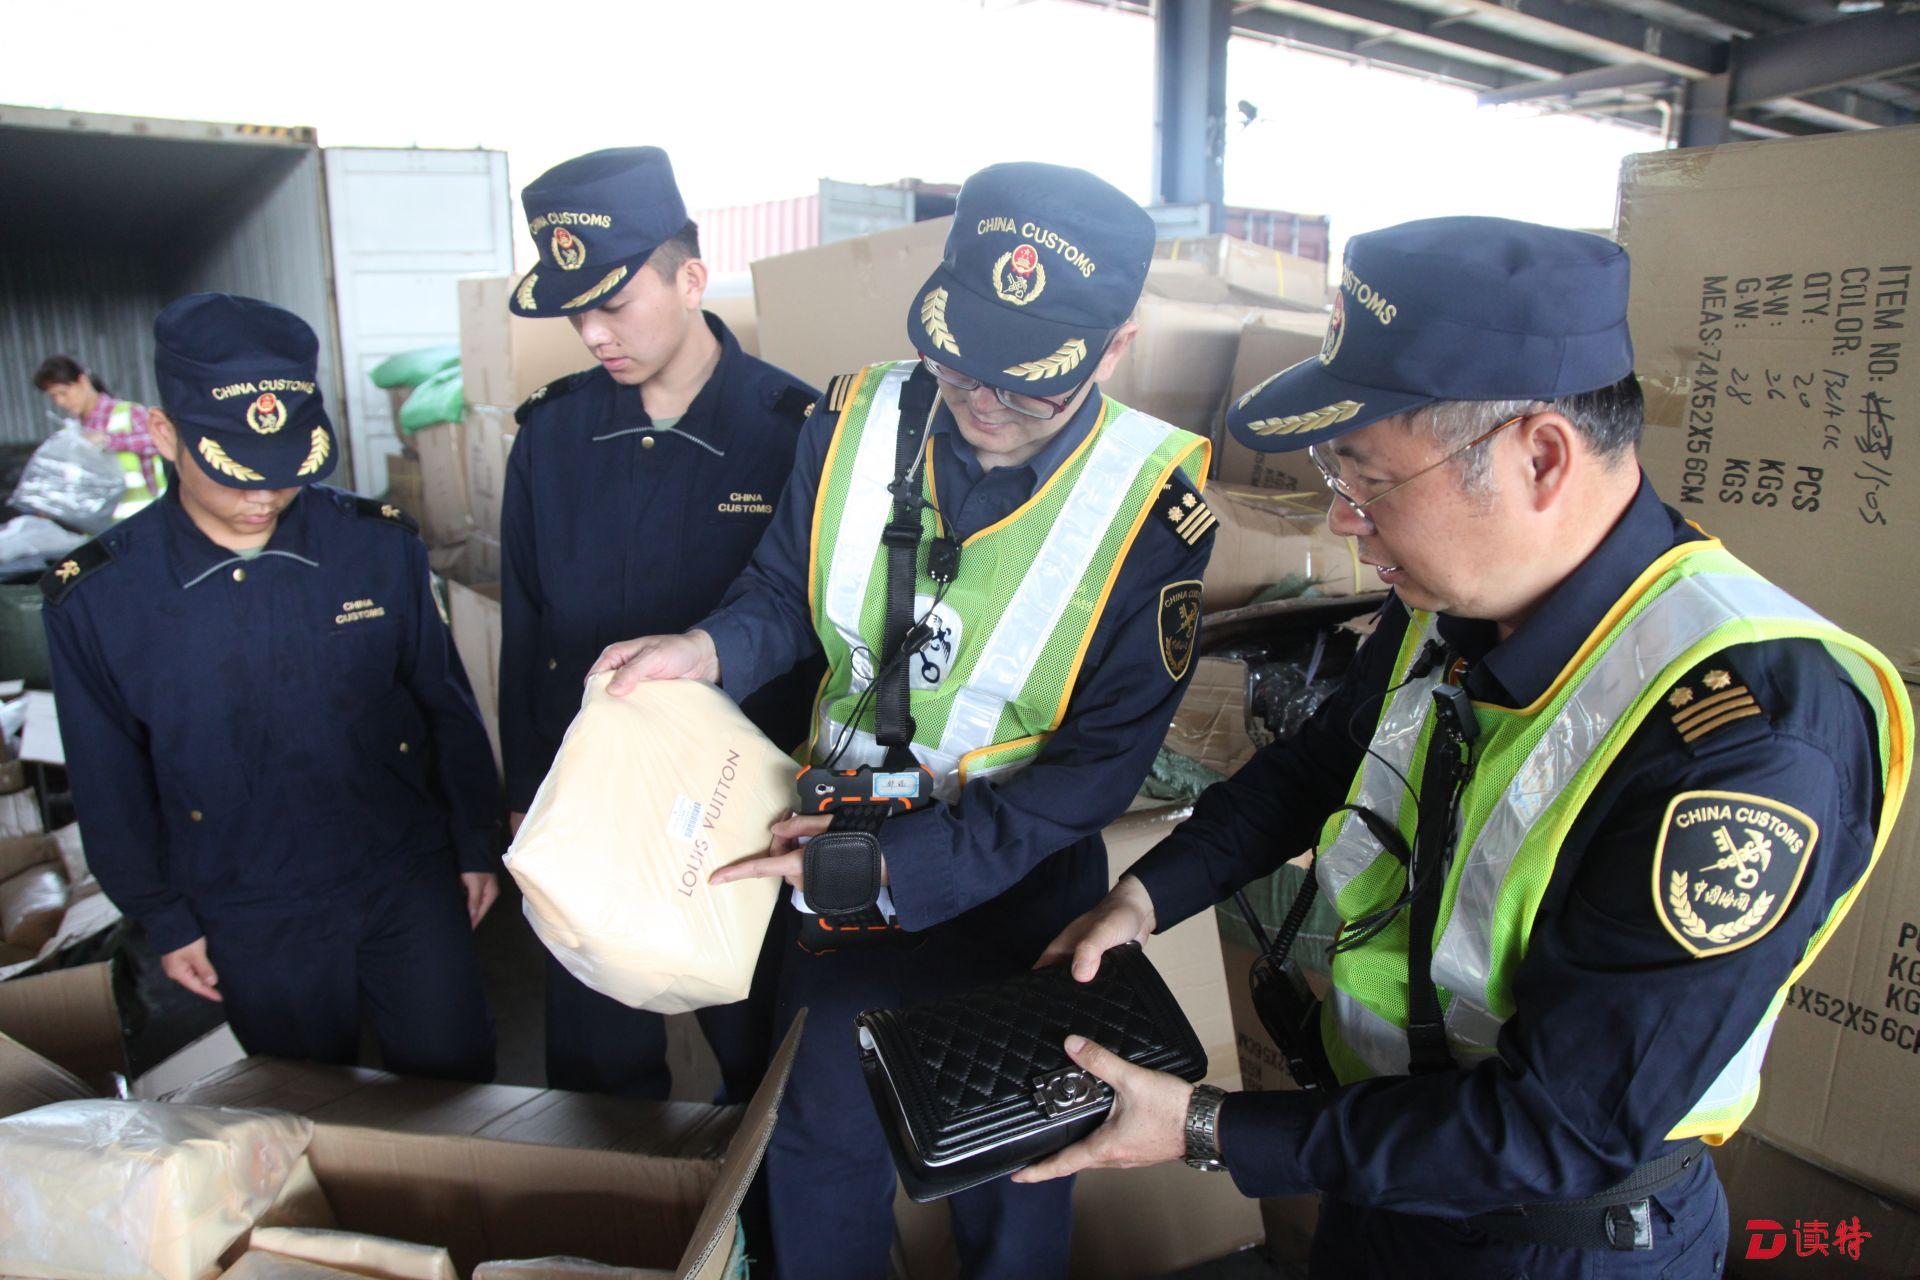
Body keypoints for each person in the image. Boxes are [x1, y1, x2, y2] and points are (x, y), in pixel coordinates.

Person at [1015, 217, 1913, 1278]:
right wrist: (1147, 895)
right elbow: (1319, 764)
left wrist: (1207, 1126)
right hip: (1387, 1171)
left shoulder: (1746, 739)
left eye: (1368, 480)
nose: (1345, 521)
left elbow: (1560, 1126)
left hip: (1554, 1237)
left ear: (1539, 456)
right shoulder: (1453, 595)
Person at [592, 161, 1220, 1280]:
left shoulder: (1155, 507)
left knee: (1013, 1173)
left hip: (1018, 884)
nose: (979, 396)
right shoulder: (855, 414)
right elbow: (785, 591)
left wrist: (893, 866)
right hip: (829, 854)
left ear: (1114, 345)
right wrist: (703, 649)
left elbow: (1095, 771)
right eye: (957, 357)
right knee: (820, 1146)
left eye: (1025, 383)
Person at [43, 293, 503, 1081]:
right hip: (245, 902)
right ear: (164, 434)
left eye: (287, 471)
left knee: (455, 1082)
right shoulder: (101, 596)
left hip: (402, 874)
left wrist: (474, 842)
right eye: (236, 471)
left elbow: (442, 704)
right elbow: (106, 777)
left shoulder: (373, 546)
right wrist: (162, 914)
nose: (263, 494)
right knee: (302, 1105)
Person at [501, 145, 820, 1103]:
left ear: (690, 277)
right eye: (576, 310)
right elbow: (529, 630)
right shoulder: (552, 436)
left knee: (766, 1066)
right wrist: (525, 796)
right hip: (591, 806)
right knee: (597, 1078)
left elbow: (821, 621)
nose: (595, 332)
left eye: (615, 302)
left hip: (739, 809)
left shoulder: (794, 429)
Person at [33, 354, 165, 517]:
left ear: (83, 381)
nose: (60, 402)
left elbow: (159, 441)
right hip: (100, 530)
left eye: (63, 392)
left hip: (144, 521)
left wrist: (108, 440)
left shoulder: (128, 413)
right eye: (54, 396)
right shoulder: (74, 433)